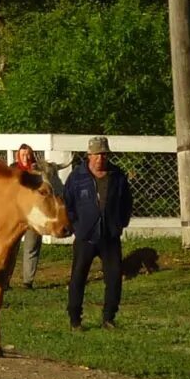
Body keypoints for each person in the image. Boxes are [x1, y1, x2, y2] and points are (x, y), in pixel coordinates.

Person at [62, 135, 131, 329]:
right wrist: (76, 225)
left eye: (104, 154)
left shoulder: (117, 176)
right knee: (78, 276)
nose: (100, 158)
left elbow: (127, 202)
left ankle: (109, 317)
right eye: (96, 154)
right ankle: (75, 319)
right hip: (86, 236)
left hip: (110, 235)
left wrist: (120, 223)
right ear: (89, 155)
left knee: (114, 276)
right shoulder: (77, 176)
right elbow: (68, 203)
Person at [9, 143, 46, 288]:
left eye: (28, 154)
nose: (26, 157)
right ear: (18, 155)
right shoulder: (12, 169)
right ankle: (5, 280)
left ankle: (27, 281)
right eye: (23, 154)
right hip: (16, 214)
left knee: (32, 246)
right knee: (11, 247)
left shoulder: (38, 171)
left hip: (34, 213)